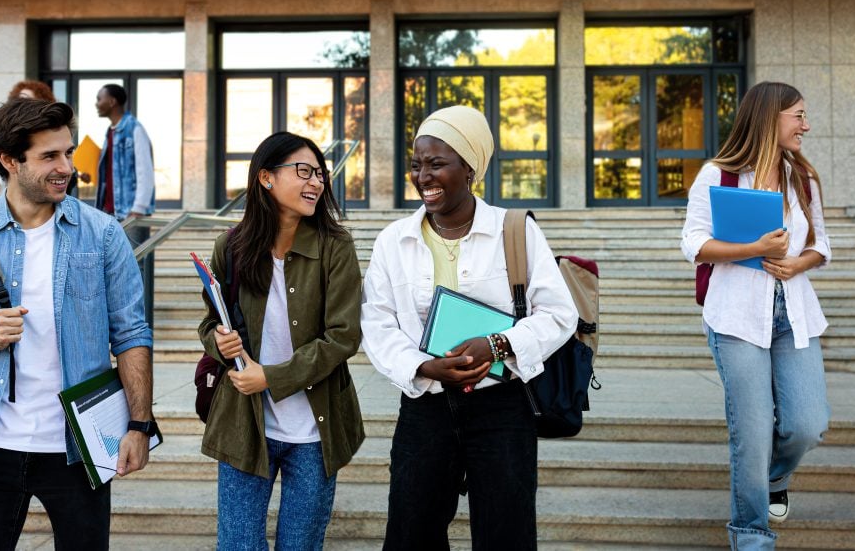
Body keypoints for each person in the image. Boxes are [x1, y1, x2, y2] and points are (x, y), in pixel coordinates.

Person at [0, 97, 154, 550]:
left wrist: (139, 426)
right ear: (9, 161)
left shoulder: (102, 234)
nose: (67, 166)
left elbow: (131, 335)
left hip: (77, 447)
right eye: (50, 156)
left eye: (67, 152)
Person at [360, 105, 577, 550]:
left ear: (470, 169)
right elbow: (377, 322)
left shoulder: (514, 230)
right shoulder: (393, 240)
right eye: (418, 164)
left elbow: (559, 314)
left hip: (501, 407)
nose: (424, 176)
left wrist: (497, 344)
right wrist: (424, 367)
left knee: (506, 535)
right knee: (410, 533)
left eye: (438, 164)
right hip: (425, 408)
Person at [680, 81, 831, 550]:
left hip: (795, 313)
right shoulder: (717, 175)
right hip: (736, 318)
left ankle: (773, 478)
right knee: (750, 431)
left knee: (808, 424)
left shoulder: (801, 177)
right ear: (770, 117)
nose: (805, 125)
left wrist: (797, 262)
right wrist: (754, 249)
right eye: (798, 116)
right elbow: (693, 244)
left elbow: (821, 244)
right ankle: (751, 536)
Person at [198, 131, 364, 551]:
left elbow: (344, 337)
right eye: (304, 171)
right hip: (245, 426)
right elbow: (208, 323)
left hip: (314, 430)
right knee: (237, 545)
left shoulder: (335, 247)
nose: (316, 182)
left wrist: (269, 377)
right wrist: (222, 343)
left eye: (320, 175)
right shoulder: (231, 247)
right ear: (266, 178)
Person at [94, 83, 156, 326]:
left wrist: (138, 207)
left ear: (112, 102)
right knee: (115, 267)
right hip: (110, 213)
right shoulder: (111, 132)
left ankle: (135, 321)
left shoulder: (134, 130)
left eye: (100, 98)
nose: (96, 103)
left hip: (130, 213)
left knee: (135, 267)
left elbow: (144, 169)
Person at [0, 80, 58, 198]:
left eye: (27, 98)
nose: (22, 102)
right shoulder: (8, 128)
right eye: (20, 98)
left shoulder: (51, 128)